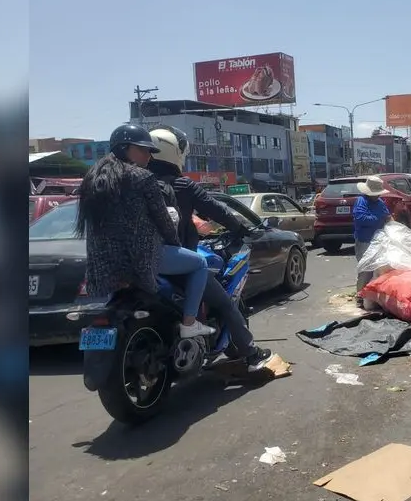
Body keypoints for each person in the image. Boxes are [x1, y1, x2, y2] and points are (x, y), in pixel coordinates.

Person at [76, 123, 215, 339]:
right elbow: (163, 220)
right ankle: (189, 322)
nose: (148, 156)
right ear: (125, 148)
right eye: (143, 150)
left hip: (102, 264)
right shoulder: (142, 178)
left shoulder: (91, 179)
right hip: (142, 260)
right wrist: (174, 244)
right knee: (200, 263)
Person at [148, 126, 272, 369]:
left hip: (138, 262)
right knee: (225, 302)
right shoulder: (182, 186)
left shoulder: (139, 183)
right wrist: (240, 228)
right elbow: (218, 210)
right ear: (175, 152)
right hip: (174, 260)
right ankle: (251, 354)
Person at [352, 175, 391, 307]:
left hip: (378, 241)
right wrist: (378, 218)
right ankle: (360, 297)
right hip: (364, 241)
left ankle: (374, 297)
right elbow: (361, 219)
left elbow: (387, 217)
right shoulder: (361, 201)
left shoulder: (380, 203)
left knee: (379, 269)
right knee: (365, 270)